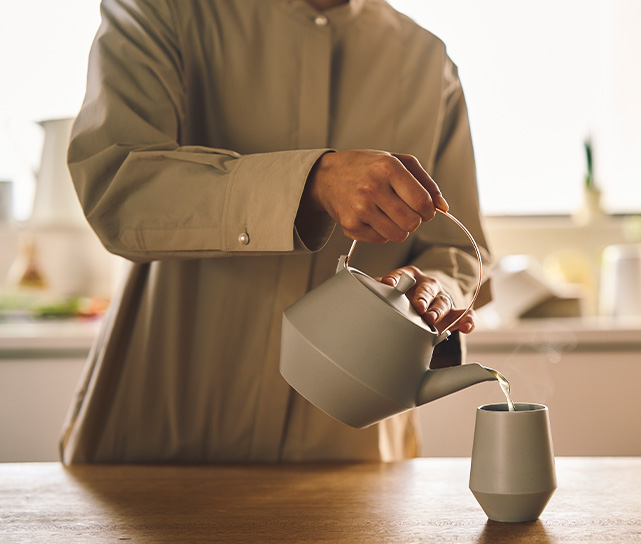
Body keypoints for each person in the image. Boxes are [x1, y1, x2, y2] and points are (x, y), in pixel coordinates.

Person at [60, 0, 491, 464]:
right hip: (155, 446)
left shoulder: (428, 62)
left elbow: (460, 250)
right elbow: (117, 190)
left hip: (351, 462)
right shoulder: (161, 10)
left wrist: (435, 288)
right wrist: (310, 182)